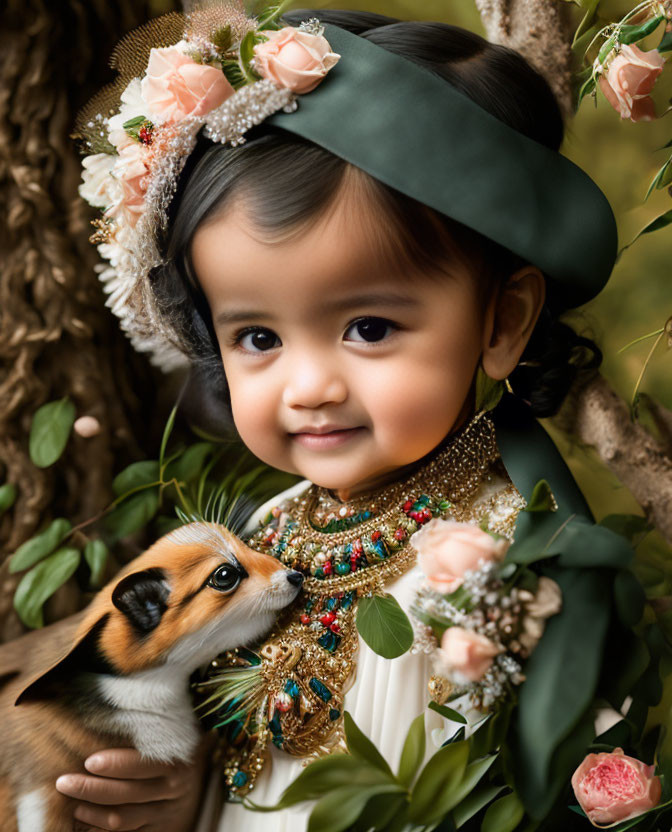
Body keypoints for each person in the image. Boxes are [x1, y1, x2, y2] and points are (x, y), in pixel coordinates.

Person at [55, 6, 640, 831]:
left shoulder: (508, 563)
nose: (308, 386)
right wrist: (187, 797)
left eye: (368, 329)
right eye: (257, 336)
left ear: (502, 322)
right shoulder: (260, 534)